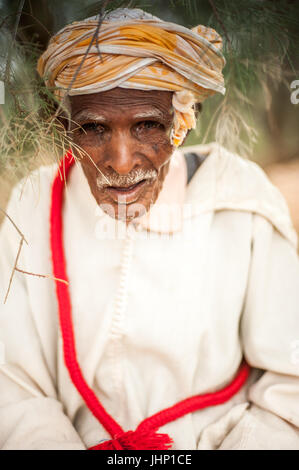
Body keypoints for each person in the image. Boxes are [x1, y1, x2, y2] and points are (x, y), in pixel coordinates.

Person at [0, 7, 299, 450]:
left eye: (147, 126)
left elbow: (288, 389)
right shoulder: (34, 205)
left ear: (180, 125)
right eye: (94, 129)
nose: (121, 162)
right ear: (66, 131)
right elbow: (13, 388)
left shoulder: (242, 203)